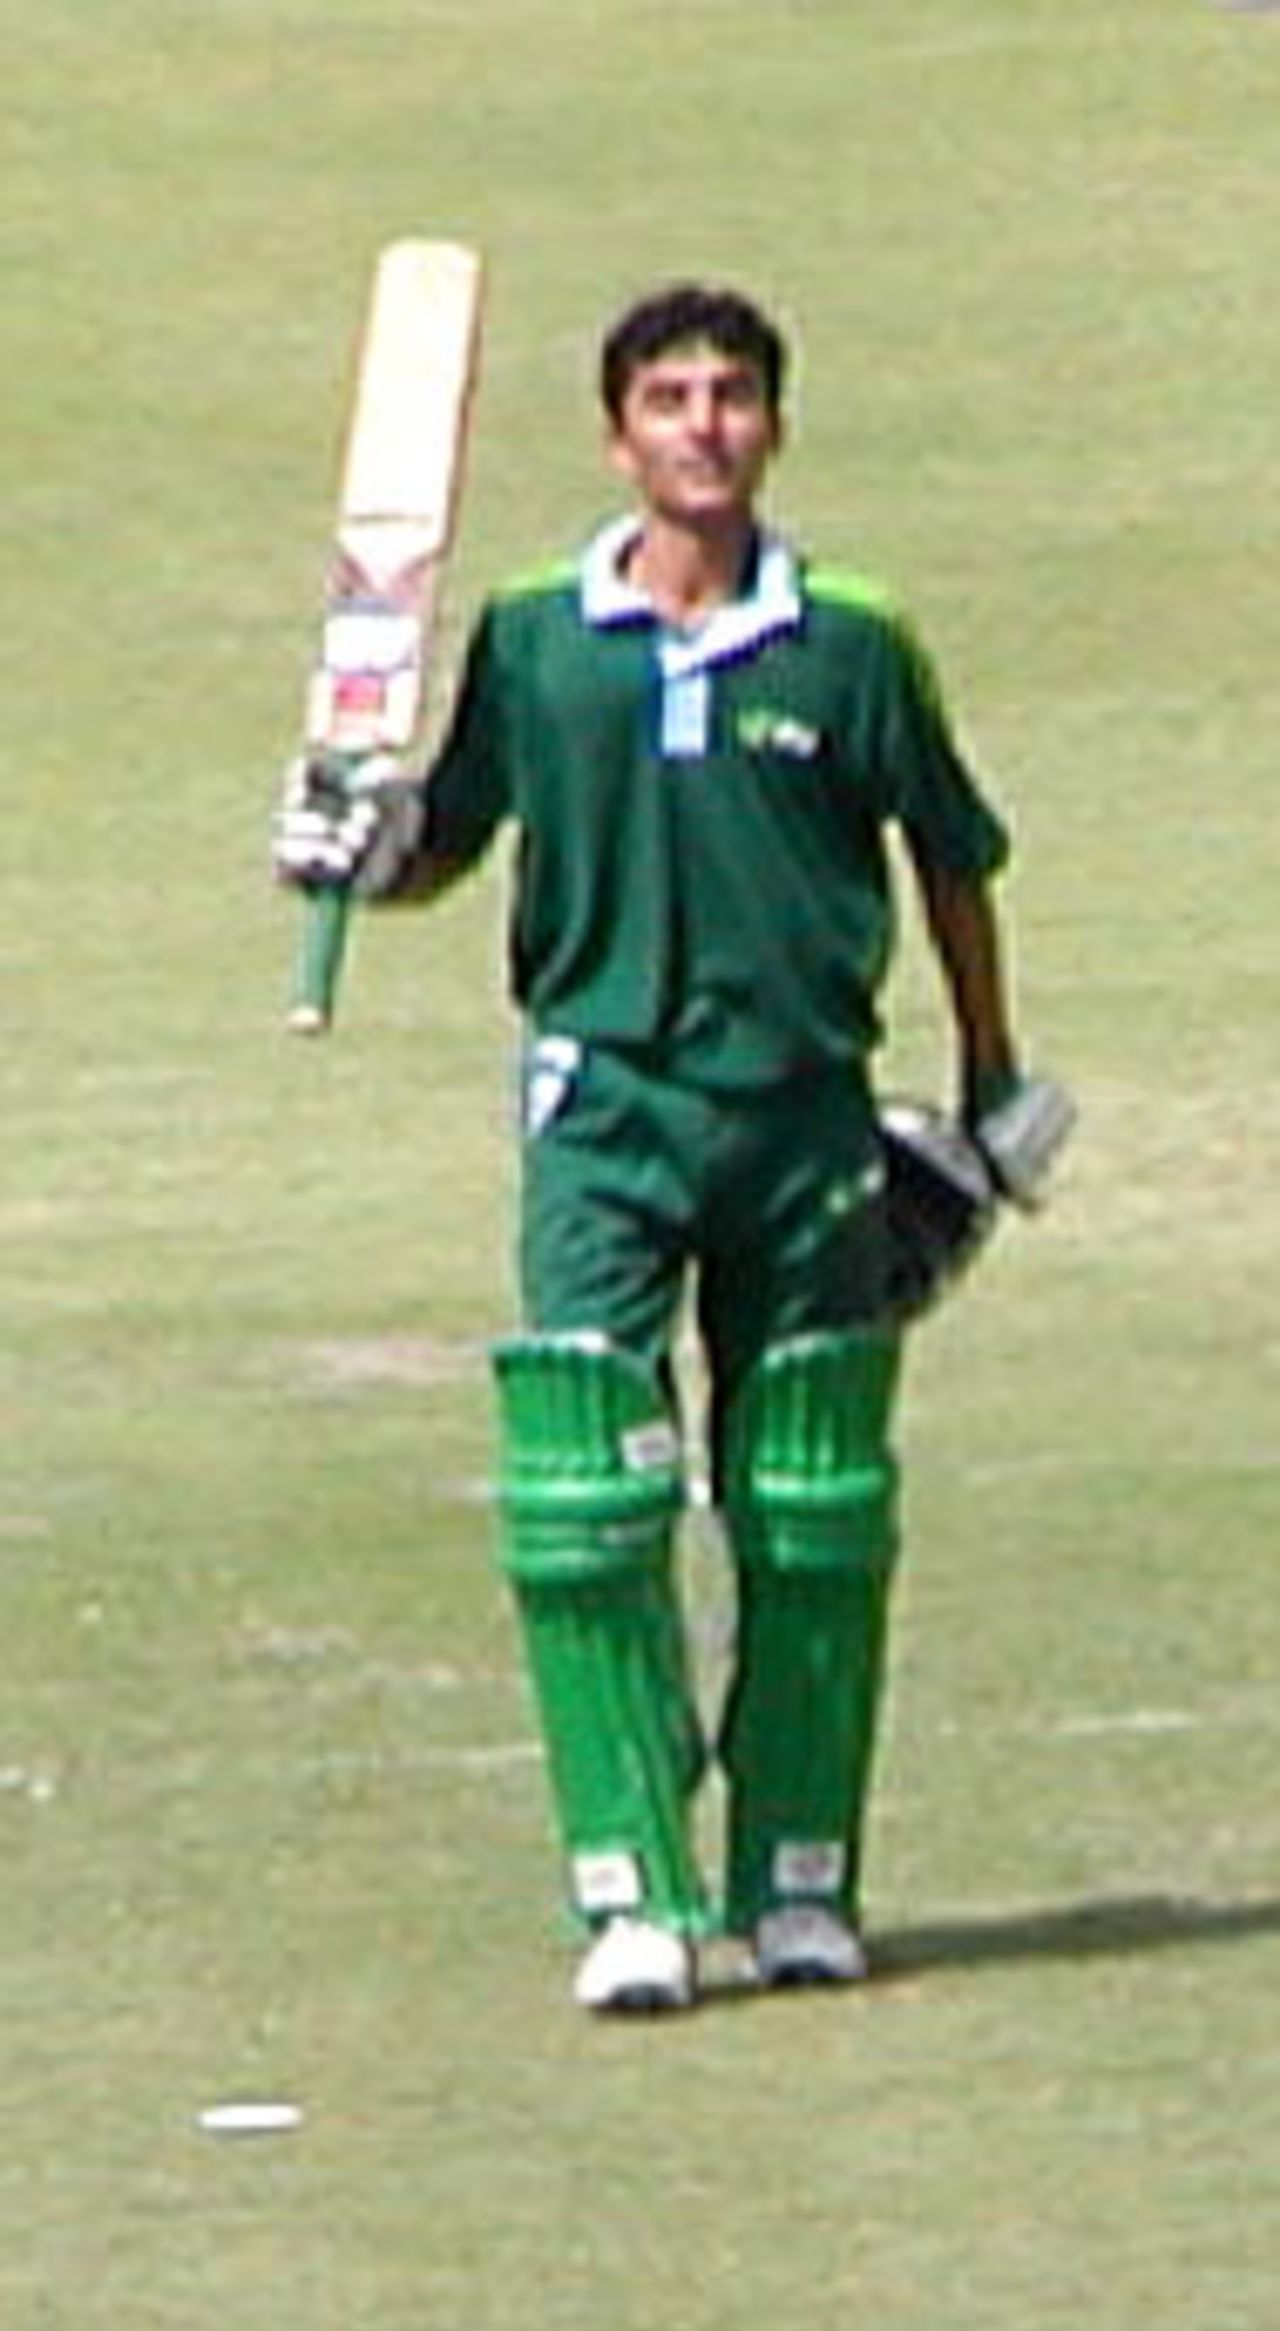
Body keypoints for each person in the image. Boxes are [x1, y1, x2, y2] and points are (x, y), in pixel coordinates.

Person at [274, 283, 1070, 2014]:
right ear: (618, 433)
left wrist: (994, 1080)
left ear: (773, 425)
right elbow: (448, 841)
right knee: (586, 1493)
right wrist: (359, 835)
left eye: (730, 397)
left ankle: (798, 1880)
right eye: (668, 399)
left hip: (803, 1111)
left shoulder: (852, 638)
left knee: (812, 1500)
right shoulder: (540, 635)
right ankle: (632, 1892)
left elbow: (950, 859)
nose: (702, 427)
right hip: (604, 1103)